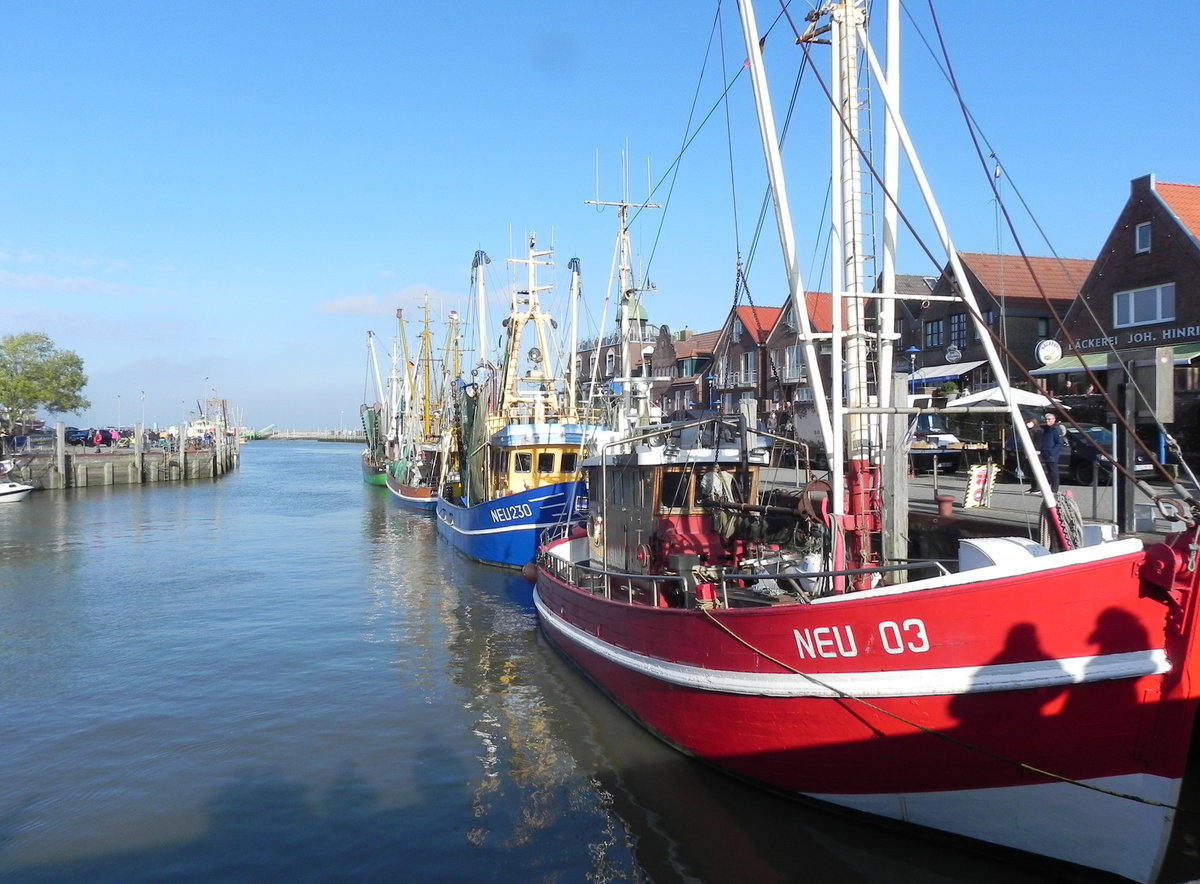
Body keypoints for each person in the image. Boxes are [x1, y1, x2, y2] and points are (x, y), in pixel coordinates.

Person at [1037, 412, 1065, 493]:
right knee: (1049, 472)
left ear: (1054, 420)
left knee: (1054, 472)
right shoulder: (1046, 429)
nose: (1047, 421)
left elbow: (1059, 443)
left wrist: (1052, 452)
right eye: (1046, 419)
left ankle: (1054, 489)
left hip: (1052, 455)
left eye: (1049, 419)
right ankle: (1050, 488)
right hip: (1045, 453)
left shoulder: (1056, 429)